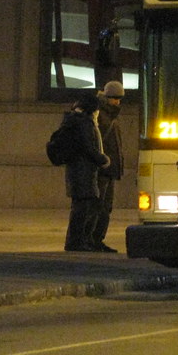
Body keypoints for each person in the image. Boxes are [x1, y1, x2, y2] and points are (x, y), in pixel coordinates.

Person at [63, 90, 110, 252]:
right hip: (82, 172)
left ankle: (78, 240)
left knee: (83, 208)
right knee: (81, 209)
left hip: (81, 171)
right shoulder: (83, 123)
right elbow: (88, 147)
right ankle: (76, 242)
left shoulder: (77, 121)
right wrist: (102, 159)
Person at [90, 80, 125, 253]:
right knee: (99, 206)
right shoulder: (102, 115)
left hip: (109, 168)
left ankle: (97, 239)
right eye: (115, 99)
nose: (118, 102)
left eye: (119, 99)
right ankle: (93, 239)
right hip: (103, 168)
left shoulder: (112, 116)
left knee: (105, 207)